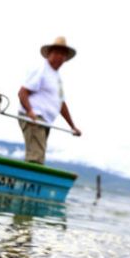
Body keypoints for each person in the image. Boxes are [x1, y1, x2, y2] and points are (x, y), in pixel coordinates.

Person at [17, 36, 81, 165]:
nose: (60, 57)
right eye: (57, 53)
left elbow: (61, 104)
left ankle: (30, 181)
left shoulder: (56, 78)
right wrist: (30, 111)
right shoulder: (41, 70)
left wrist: (72, 126)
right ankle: (31, 182)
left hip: (45, 121)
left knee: (38, 153)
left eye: (63, 54)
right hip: (35, 118)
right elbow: (22, 92)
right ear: (49, 54)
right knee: (36, 156)